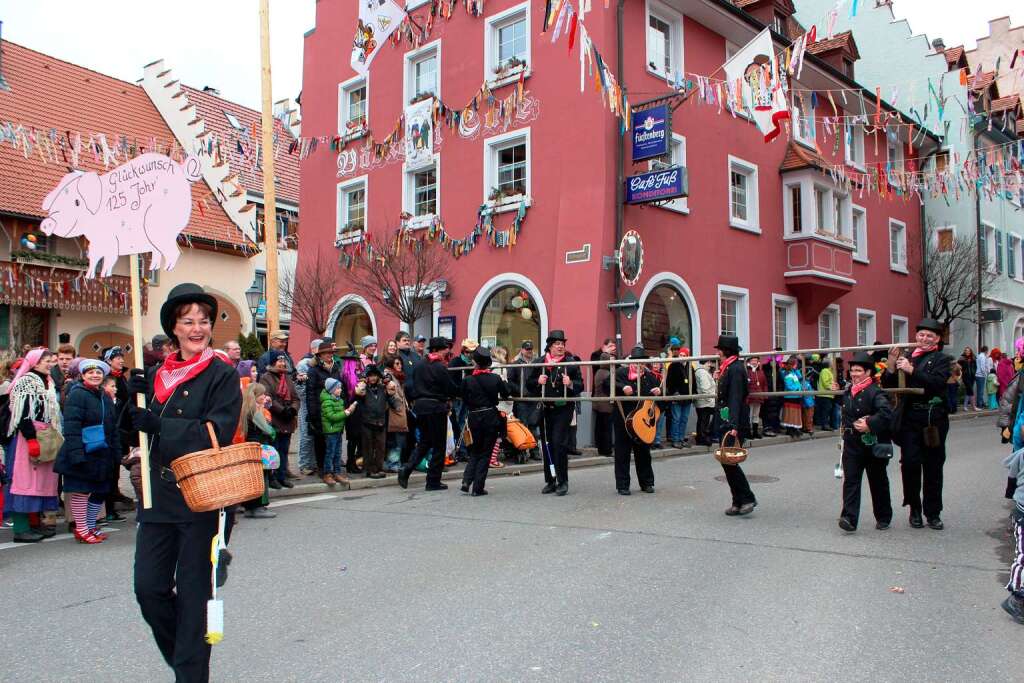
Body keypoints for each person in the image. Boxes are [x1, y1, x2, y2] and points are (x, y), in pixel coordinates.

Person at [127, 283, 242, 683]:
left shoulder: (223, 375)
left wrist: (161, 424)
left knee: (194, 603)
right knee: (149, 589)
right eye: (188, 321)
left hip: (201, 501)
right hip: (158, 497)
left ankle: (191, 675)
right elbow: (137, 433)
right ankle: (187, 664)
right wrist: (133, 403)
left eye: (204, 321)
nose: (197, 328)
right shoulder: (157, 376)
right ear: (173, 328)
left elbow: (218, 431)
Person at [881, 318, 952, 530]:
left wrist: (912, 371)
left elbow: (937, 383)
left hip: (933, 419)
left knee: (933, 465)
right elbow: (889, 385)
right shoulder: (908, 356)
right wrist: (892, 364)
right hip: (910, 418)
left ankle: (933, 512)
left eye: (930, 335)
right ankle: (914, 508)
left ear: (937, 339)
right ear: (916, 336)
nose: (924, 338)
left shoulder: (942, 359)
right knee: (910, 463)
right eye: (921, 335)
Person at [55, 356, 121, 543]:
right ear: (83, 375)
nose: (95, 375)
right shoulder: (77, 394)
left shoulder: (104, 397)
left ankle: (91, 526)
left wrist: (116, 453)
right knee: (81, 491)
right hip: (83, 449)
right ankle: (82, 530)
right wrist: (76, 453)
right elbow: (72, 425)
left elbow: (112, 426)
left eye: (98, 372)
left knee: (100, 490)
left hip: (102, 452)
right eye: (90, 372)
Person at [3, 348, 62, 542]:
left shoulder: (48, 381)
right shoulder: (26, 381)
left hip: (45, 434)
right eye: (46, 360)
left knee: (43, 482)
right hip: (28, 436)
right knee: (23, 482)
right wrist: (30, 439)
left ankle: (35, 524)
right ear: (34, 362)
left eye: (51, 360)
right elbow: (23, 414)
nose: (50, 363)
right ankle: (21, 528)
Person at [837, 352, 894, 532]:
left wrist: (869, 423)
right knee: (851, 481)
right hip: (851, 443)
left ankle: (883, 516)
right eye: (852, 370)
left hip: (871, 443)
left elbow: (886, 413)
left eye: (858, 371)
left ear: (868, 373)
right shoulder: (848, 391)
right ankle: (849, 518)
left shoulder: (875, 391)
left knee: (877, 481)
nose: (854, 374)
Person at [526, 330, 583, 496]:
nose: (560, 347)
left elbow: (581, 385)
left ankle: (562, 481)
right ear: (550, 346)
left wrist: (570, 383)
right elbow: (529, 385)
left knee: (559, 443)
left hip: (563, 409)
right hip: (545, 409)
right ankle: (550, 480)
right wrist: (537, 381)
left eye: (562, 344)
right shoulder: (539, 362)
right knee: (547, 445)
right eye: (557, 344)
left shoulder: (570, 362)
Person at [399, 337, 460, 491]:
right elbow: (450, 388)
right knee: (439, 445)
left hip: (420, 407)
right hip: (436, 408)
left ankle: (407, 469)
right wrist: (460, 391)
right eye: (446, 348)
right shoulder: (439, 366)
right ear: (439, 349)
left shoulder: (419, 364)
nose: (448, 351)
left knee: (425, 442)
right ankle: (433, 481)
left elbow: (410, 386)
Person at [712, 335, 757, 516]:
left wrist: (734, 425)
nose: (717, 353)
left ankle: (747, 498)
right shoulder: (728, 367)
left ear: (725, 351)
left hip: (733, 421)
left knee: (730, 461)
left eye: (719, 350)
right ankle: (737, 501)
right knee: (726, 461)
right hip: (726, 419)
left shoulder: (736, 369)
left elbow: (736, 398)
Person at [607, 346, 660, 495]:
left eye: (642, 362)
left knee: (643, 453)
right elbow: (606, 385)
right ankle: (623, 485)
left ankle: (647, 483)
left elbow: (661, 400)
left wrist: (660, 392)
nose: (640, 365)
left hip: (642, 422)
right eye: (637, 361)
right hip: (624, 418)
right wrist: (622, 387)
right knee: (622, 453)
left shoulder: (650, 377)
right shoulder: (621, 373)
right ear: (632, 361)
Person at [459, 347, 511, 496]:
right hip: (490, 416)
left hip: (474, 417)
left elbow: (462, 397)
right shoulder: (495, 378)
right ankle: (478, 488)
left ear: (475, 363)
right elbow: (506, 393)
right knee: (485, 453)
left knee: (475, 451)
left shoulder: (467, 380)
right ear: (488, 364)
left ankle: (466, 480)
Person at [260, 351, 299, 489]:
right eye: (279, 361)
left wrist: (293, 409)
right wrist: (282, 410)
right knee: (274, 451)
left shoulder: (287, 377)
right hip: (275, 419)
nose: (282, 363)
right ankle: (273, 477)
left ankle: (282, 476)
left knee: (284, 450)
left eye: (284, 361)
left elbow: (295, 397)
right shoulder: (266, 378)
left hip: (288, 420)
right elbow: (267, 396)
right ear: (272, 363)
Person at [305, 340, 345, 477]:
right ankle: (323, 470)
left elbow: (341, 388)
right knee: (321, 442)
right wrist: (313, 414)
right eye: (326, 353)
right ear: (320, 355)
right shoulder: (314, 371)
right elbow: (310, 393)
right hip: (320, 410)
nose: (329, 355)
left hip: (335, 410)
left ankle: (335, 469)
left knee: (335, 443)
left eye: (331, 353)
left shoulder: (335, 368)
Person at [238, 383, 276, 518]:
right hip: (258, 447)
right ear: (255, 396)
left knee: (252, 477)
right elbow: (268, 430)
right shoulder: (255, 411)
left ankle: (249, 507)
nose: (265, 397)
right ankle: (257, 507)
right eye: (262, 394)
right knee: (260, 477)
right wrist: (272, 431)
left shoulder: (246, 408)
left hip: (250, 446)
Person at [354, 365, 395, 479]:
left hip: (381, 421)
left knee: (381, 447)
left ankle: (379, 468)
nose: (373, 378)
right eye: (370, 375)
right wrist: (362, 380)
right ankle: (370, 469)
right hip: (367, 421)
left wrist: (387, 382)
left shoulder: (382, 388)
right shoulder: (364, 389)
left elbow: (391, 398)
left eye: (375, 375)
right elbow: (357, 396)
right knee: (368, 447)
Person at [1002, 410, 1024, 624]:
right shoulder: (1021, 455)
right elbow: (1011, 479)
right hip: (1022, 512)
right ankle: (1016, 596)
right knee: (1023, 555)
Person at [507, 340, 542, 463]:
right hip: (521, 399)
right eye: (527, 349)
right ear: (522, 350)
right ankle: (521, 451)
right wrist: (520, 391)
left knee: (534, 425)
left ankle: (534, 450)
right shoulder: (515, 364)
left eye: (531, 349)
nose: (529, 351)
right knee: (522, 425)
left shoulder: (537, 364)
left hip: (533, 399)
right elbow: (510, 381)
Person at [320, 378, 355, 485]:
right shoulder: (327, 402)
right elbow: (332, 417)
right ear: (331, 390)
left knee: (337, 453)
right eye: (338, 388)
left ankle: (337, 473)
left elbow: (341, 415)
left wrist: (349, 411)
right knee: (330, 453)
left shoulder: (339, 400)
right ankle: (327, 474)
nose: (340, 390)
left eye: (340, 387)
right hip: (331, 431)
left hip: (338, 431)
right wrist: (347, 412)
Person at [449, 339, 478, 462]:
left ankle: (465, 449)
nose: (469, 354)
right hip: (458, 399)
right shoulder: (455, 362)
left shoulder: (473, 364)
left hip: (468, 398)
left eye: (472, 352)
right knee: (459, 424)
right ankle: (461, 450)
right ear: (463, 351)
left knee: (466, 424)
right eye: (468, 352)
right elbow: (452, 381)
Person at [382, 355, 410, 471]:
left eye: (400, 363)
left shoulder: (397, 377)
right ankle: (393, 464)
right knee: (396, 441)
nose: (400, 366)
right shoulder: (389, 376)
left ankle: (392, 462)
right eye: (397, 364)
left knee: (397, 440)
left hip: (398, 413)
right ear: (391, 365)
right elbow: (390, 395)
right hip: (394, 413)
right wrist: (398, 405)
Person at [665, 346, 693, 448]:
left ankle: (681, 438)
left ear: (687, 356)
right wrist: (674, 393)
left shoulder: (690, 366)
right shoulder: (673, 365)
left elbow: (693, 382)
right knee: (676, 418)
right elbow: (669, 381)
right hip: (677, 397)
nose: (682, 357)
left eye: (684, 355)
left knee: (684, 419)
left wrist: (693, 395)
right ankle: (675, 439)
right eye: (680, 355)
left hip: (687, 398)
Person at [591, 352, 614, 456]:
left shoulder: (599, 372)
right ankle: (607, 450)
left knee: (600, 428)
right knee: (607, 429)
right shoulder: (607, 373)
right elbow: (609, 389)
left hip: (597, 403)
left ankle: (600, 449)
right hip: (606, 405)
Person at [760, 351, 786, 437]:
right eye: (773, 361)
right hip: (768, 394)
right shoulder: (765, 370)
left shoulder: (778, 371)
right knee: (767, 412)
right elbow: (764, 382)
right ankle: (767, 428)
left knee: (775, 412)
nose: (774, 363)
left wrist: (779, 392)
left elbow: (781, 382)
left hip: (776, 395)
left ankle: (775, 427)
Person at [693, 359, 716, 446]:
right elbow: (705, 388)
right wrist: (710, 400)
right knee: (703, 420)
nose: (710, 365)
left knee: (703, 420)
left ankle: (702, 437)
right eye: (709, 363)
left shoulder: (702, 372)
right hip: (705, 401)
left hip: (703, 401)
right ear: (707, 363)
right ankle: (702, 438)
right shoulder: (703, 372)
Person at [781, 357, 805, 439]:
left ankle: (795, 428)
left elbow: (800, 377)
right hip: (790, 396)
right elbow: (789, 386)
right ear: (792, 364)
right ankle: (789, 429)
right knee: (790, 414)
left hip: (796, 396)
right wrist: (797, 388)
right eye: (796, 364)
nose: (797, 366)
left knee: (795, 414)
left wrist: (796, 370)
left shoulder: (794, 373)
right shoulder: (786, 373)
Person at [746, 356, 767, 439]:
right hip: (750, 397)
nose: (754, 362)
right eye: (753, 360)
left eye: (756, 360)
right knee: (749, 415)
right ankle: (749, 432)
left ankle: (755, 432)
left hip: (758, 397)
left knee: (756, 415)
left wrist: (764, 395)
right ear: (749, 362)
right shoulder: (747, 371)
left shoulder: (761, 372)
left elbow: (764, 384)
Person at [815, 357, 836, 432]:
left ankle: (825, 424)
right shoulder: (825, 371)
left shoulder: (828, 371)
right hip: (825, 394)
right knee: (825, 410)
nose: (833, 364)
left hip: (827, 394)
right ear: (829, 364)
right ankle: (825, 425)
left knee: (826, 410)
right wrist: (832, 388)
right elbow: (826, 382)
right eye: (832, 362)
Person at [976, 345, 992, 411]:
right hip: (981, 375)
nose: (988, 352)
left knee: (979, 390)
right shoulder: (982, 357)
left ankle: (981, 403)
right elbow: (982, 367)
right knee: (981, 391)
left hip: (978, 375)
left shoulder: (979, 355)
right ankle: (980, 405)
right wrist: (985, 374)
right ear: (986, 350)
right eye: (987, 351)